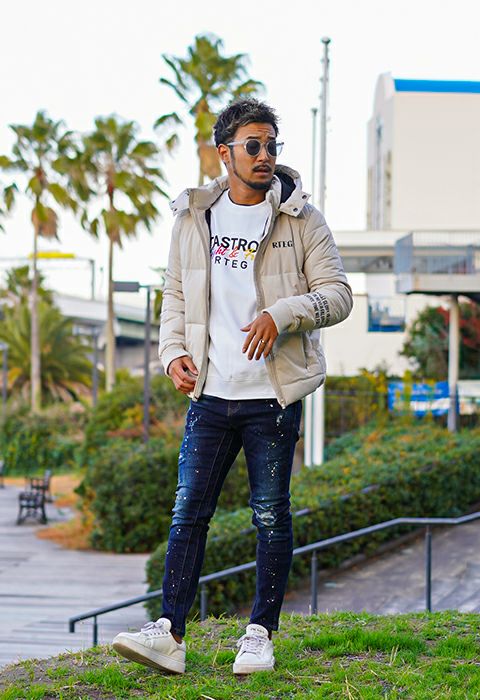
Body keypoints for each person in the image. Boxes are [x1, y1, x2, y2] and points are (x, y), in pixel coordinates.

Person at [113, 98, 353, 675]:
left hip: (272, 395)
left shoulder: (302, 219)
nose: (264, 155)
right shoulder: (194, 217)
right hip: (211, 394)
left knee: (269, 514)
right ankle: (169, 635)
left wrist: (282, 314)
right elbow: (175, 295)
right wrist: (172, 354)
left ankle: (259, 634)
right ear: (225, 153)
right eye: (253, 145)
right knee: (188, 513)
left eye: (272, 145)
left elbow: (339, 295)